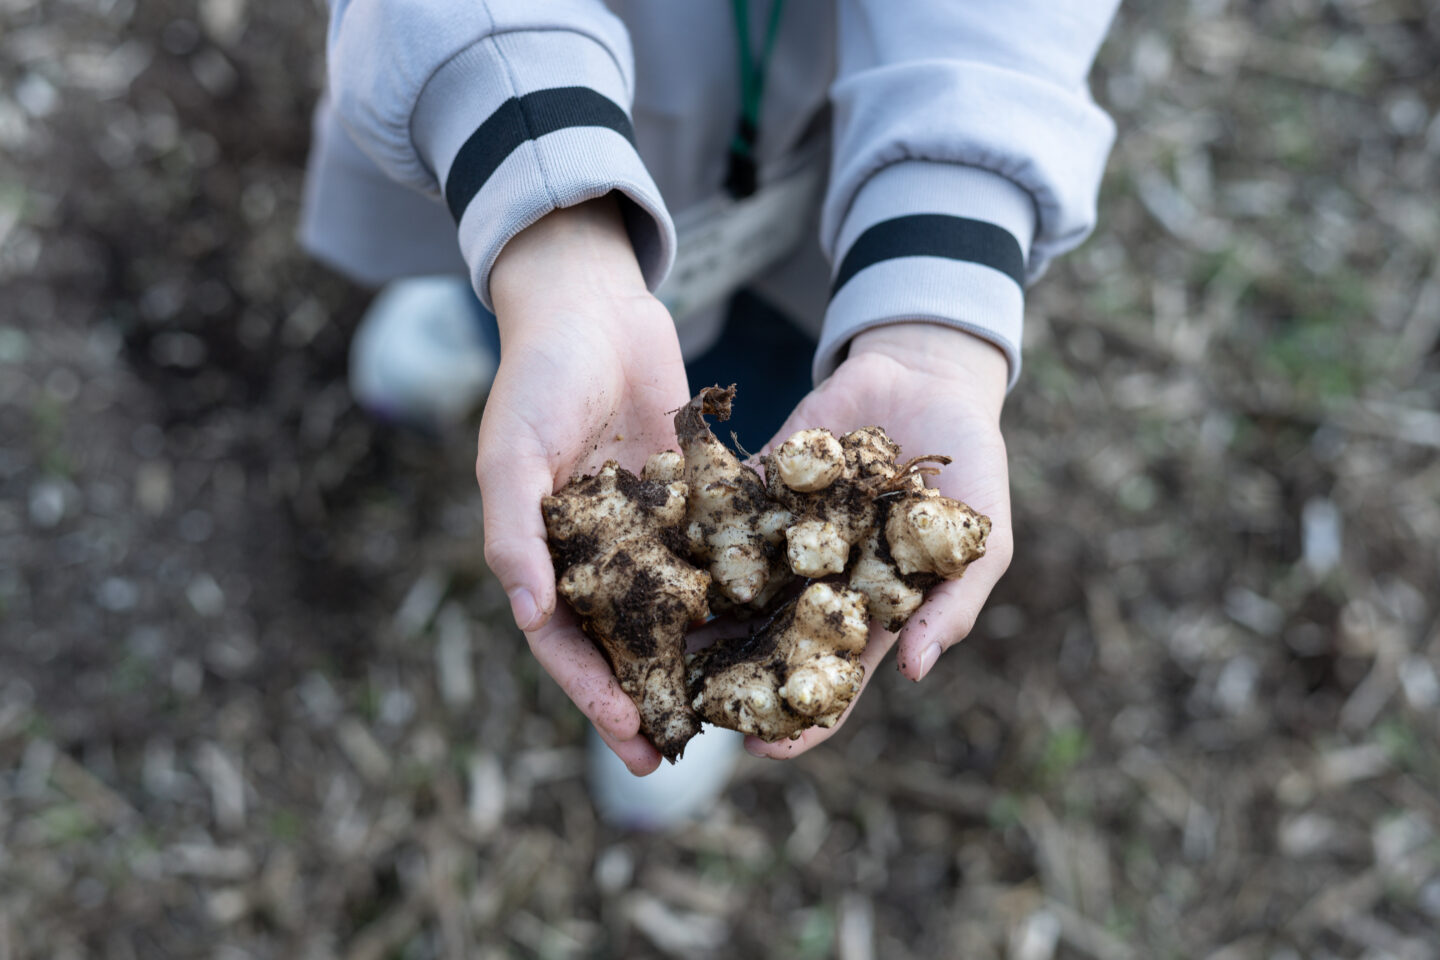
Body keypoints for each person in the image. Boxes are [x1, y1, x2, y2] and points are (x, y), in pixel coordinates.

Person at [301, 2, 1121, 790]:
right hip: (541, 87)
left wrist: (932, 322)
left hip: (831, 165)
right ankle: (492, 306)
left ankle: (706, 677)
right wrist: (553, 240)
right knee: (531, 307)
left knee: (776, 398)